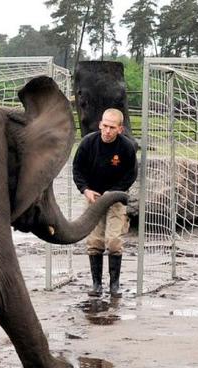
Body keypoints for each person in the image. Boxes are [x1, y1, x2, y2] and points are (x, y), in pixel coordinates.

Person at [72, 108, 138, 298]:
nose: (107, 131)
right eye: (105, 126)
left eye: (112, 127)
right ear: (100, 124)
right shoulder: (87, 143)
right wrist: (85, 190)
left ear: (120, 128)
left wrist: (115, 191)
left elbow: (130, 175)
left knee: (114, 241)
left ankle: (114, 285)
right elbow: (77, 170)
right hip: (94, 197)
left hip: (116, 197)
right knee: (94, 241)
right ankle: (96, 285)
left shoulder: (126, 147)